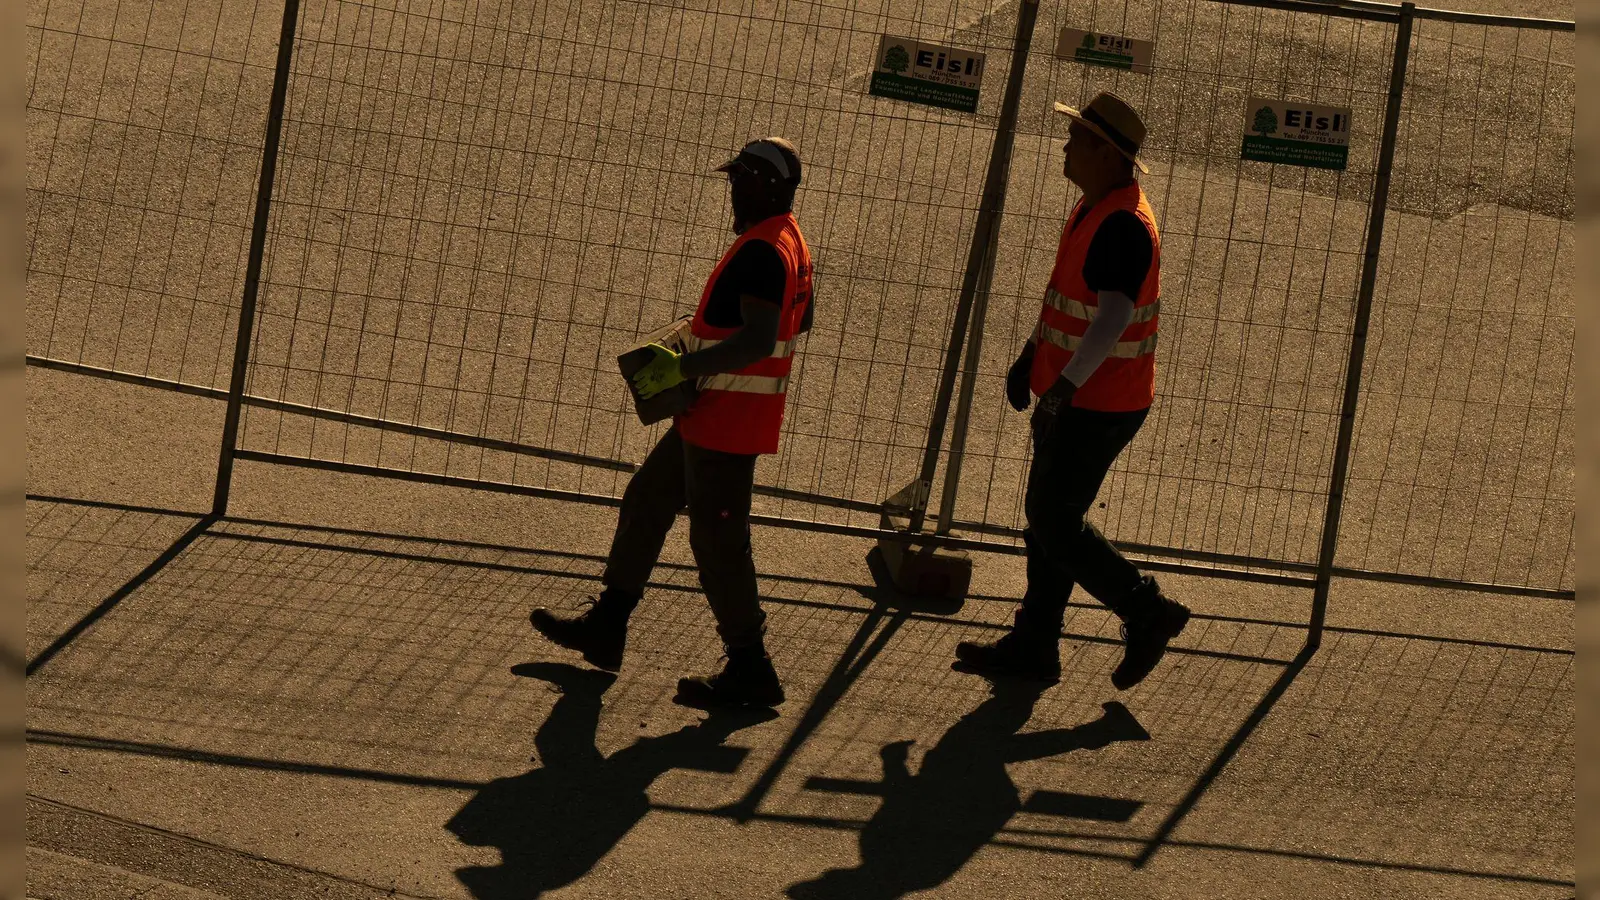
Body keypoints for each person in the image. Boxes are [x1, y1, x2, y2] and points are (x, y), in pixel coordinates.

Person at [530, 137, 812, 709]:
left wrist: (684, 366)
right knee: (648, 499)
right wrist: (699, 337)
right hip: (708, 413)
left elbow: (759, 340)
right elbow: (796, 322)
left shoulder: (762, 251)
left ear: (766, 186)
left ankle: (751, 667)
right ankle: (607, 626)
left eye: (740, 180)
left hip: (726, 423)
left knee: (718, 543)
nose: (732, 190)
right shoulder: (787, 239)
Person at [955, 93, 1190, 690]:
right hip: (1086, 399)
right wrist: (1031, 356)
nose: (1065, 147)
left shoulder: (1122, 225)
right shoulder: (1097, 208)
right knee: (1050, 521)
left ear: (1106, 154)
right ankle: (1035, 646)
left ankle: (1147, 610)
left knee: (1053, 520)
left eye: (1076, 139)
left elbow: (1111, 319)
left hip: (1099, 404)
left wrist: (1060, 390)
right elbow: (1069, 300)